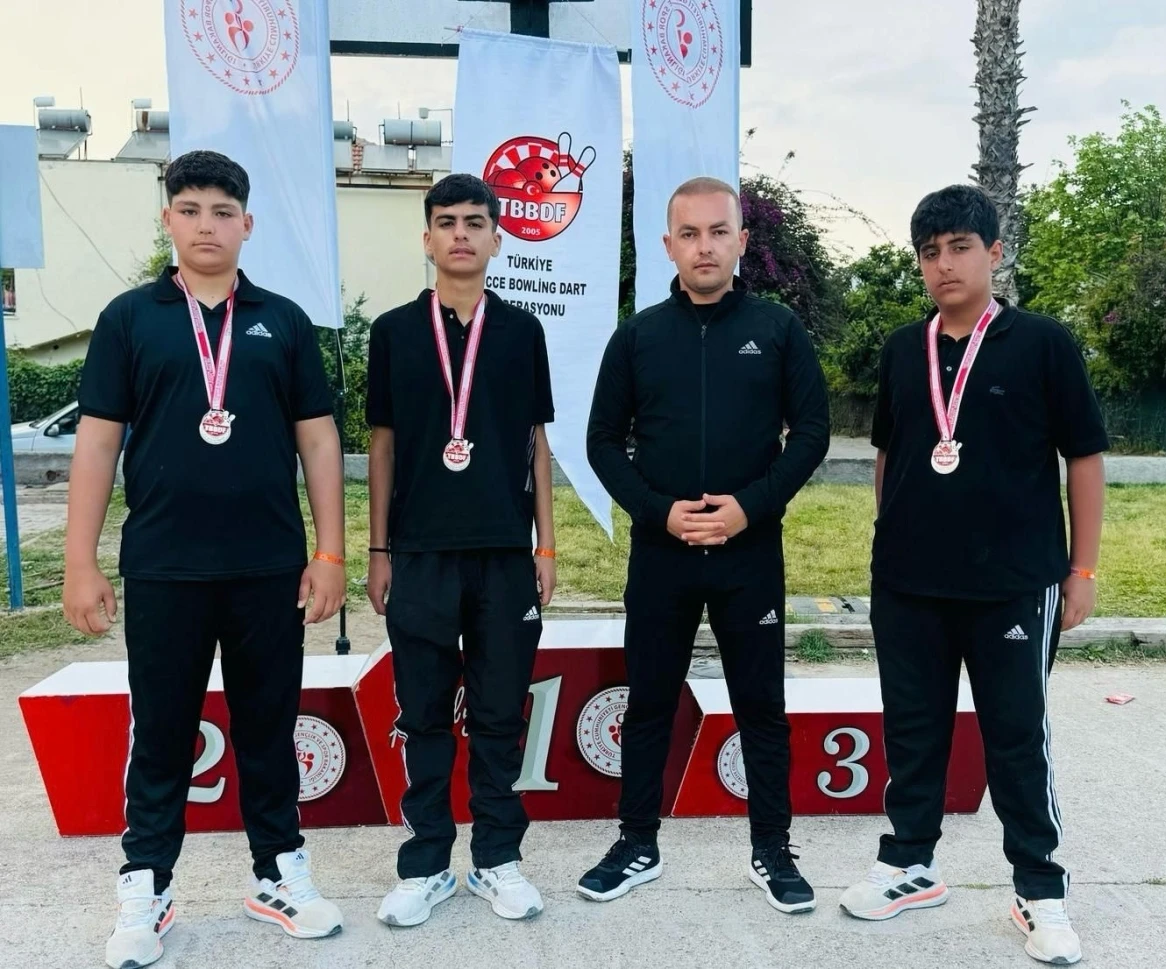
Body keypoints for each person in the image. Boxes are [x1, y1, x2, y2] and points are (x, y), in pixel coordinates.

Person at [62, 150, 347, 969]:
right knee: (161, 730)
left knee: (268, 725)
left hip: (268, 566)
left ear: (247, 223)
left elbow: (319, 440)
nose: (206, 225)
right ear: (168, 220)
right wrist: (81, 561)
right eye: (189, 209)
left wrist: (330, 550)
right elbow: (98, 442)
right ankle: (147, 882)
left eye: (223, 211)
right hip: (164, 566)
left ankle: (277, 871)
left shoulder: (283, 321)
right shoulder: (130, 318)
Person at [838, 184, 1106, 966]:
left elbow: (1084, 457)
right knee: (912, 728)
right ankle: (909, 863)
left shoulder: (1043, 343)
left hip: (1015, 583)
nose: (944, 265)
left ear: (994, 252)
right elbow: (889, 453)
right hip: (909, 584)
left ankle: (1039, 886)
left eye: (959, 247)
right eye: (929, 252)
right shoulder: (902, 348)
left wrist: (1082, 568)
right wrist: (892, 540)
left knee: (1015, 735)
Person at [580, 176, 830, 914]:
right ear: (668, 245)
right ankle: (636, 842)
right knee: (649, 704)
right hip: (662, 555)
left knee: (762, 706)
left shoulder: (778, 329)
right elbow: (601, 442)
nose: (705, 247)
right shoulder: (638, 337)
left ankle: (772, 849)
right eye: (689, 234)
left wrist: (749, 508)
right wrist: (660, 514)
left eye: (718, 232)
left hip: (748, 555)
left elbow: (811, 433)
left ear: (742, 241)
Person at [365, 173, 556, 927]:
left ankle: (496, 859)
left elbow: (536, 444)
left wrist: (546, 543)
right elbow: (382, 447)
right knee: (423, 714)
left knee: (500, 713)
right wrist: (378, 549)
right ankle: (426, 863)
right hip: (418, 554)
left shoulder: (522, 331)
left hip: (504, 554)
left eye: (475, 222)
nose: (461, 235)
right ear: (427, 238)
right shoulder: (393, 332)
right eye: (446, 222)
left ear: (497, 239)